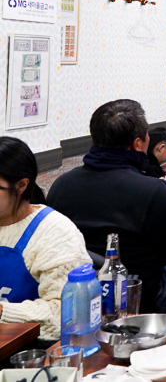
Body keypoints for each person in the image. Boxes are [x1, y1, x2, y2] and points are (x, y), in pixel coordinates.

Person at [47, 100, 166, 313]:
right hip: (142, 294)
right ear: (138, 144)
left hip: (80, 295)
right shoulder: (151, 191)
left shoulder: (61, 185)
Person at [0, 137, 92, 341]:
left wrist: (2, 312)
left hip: (29, 354)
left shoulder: (55, 233)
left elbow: (65, 315)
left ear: (22, 185)